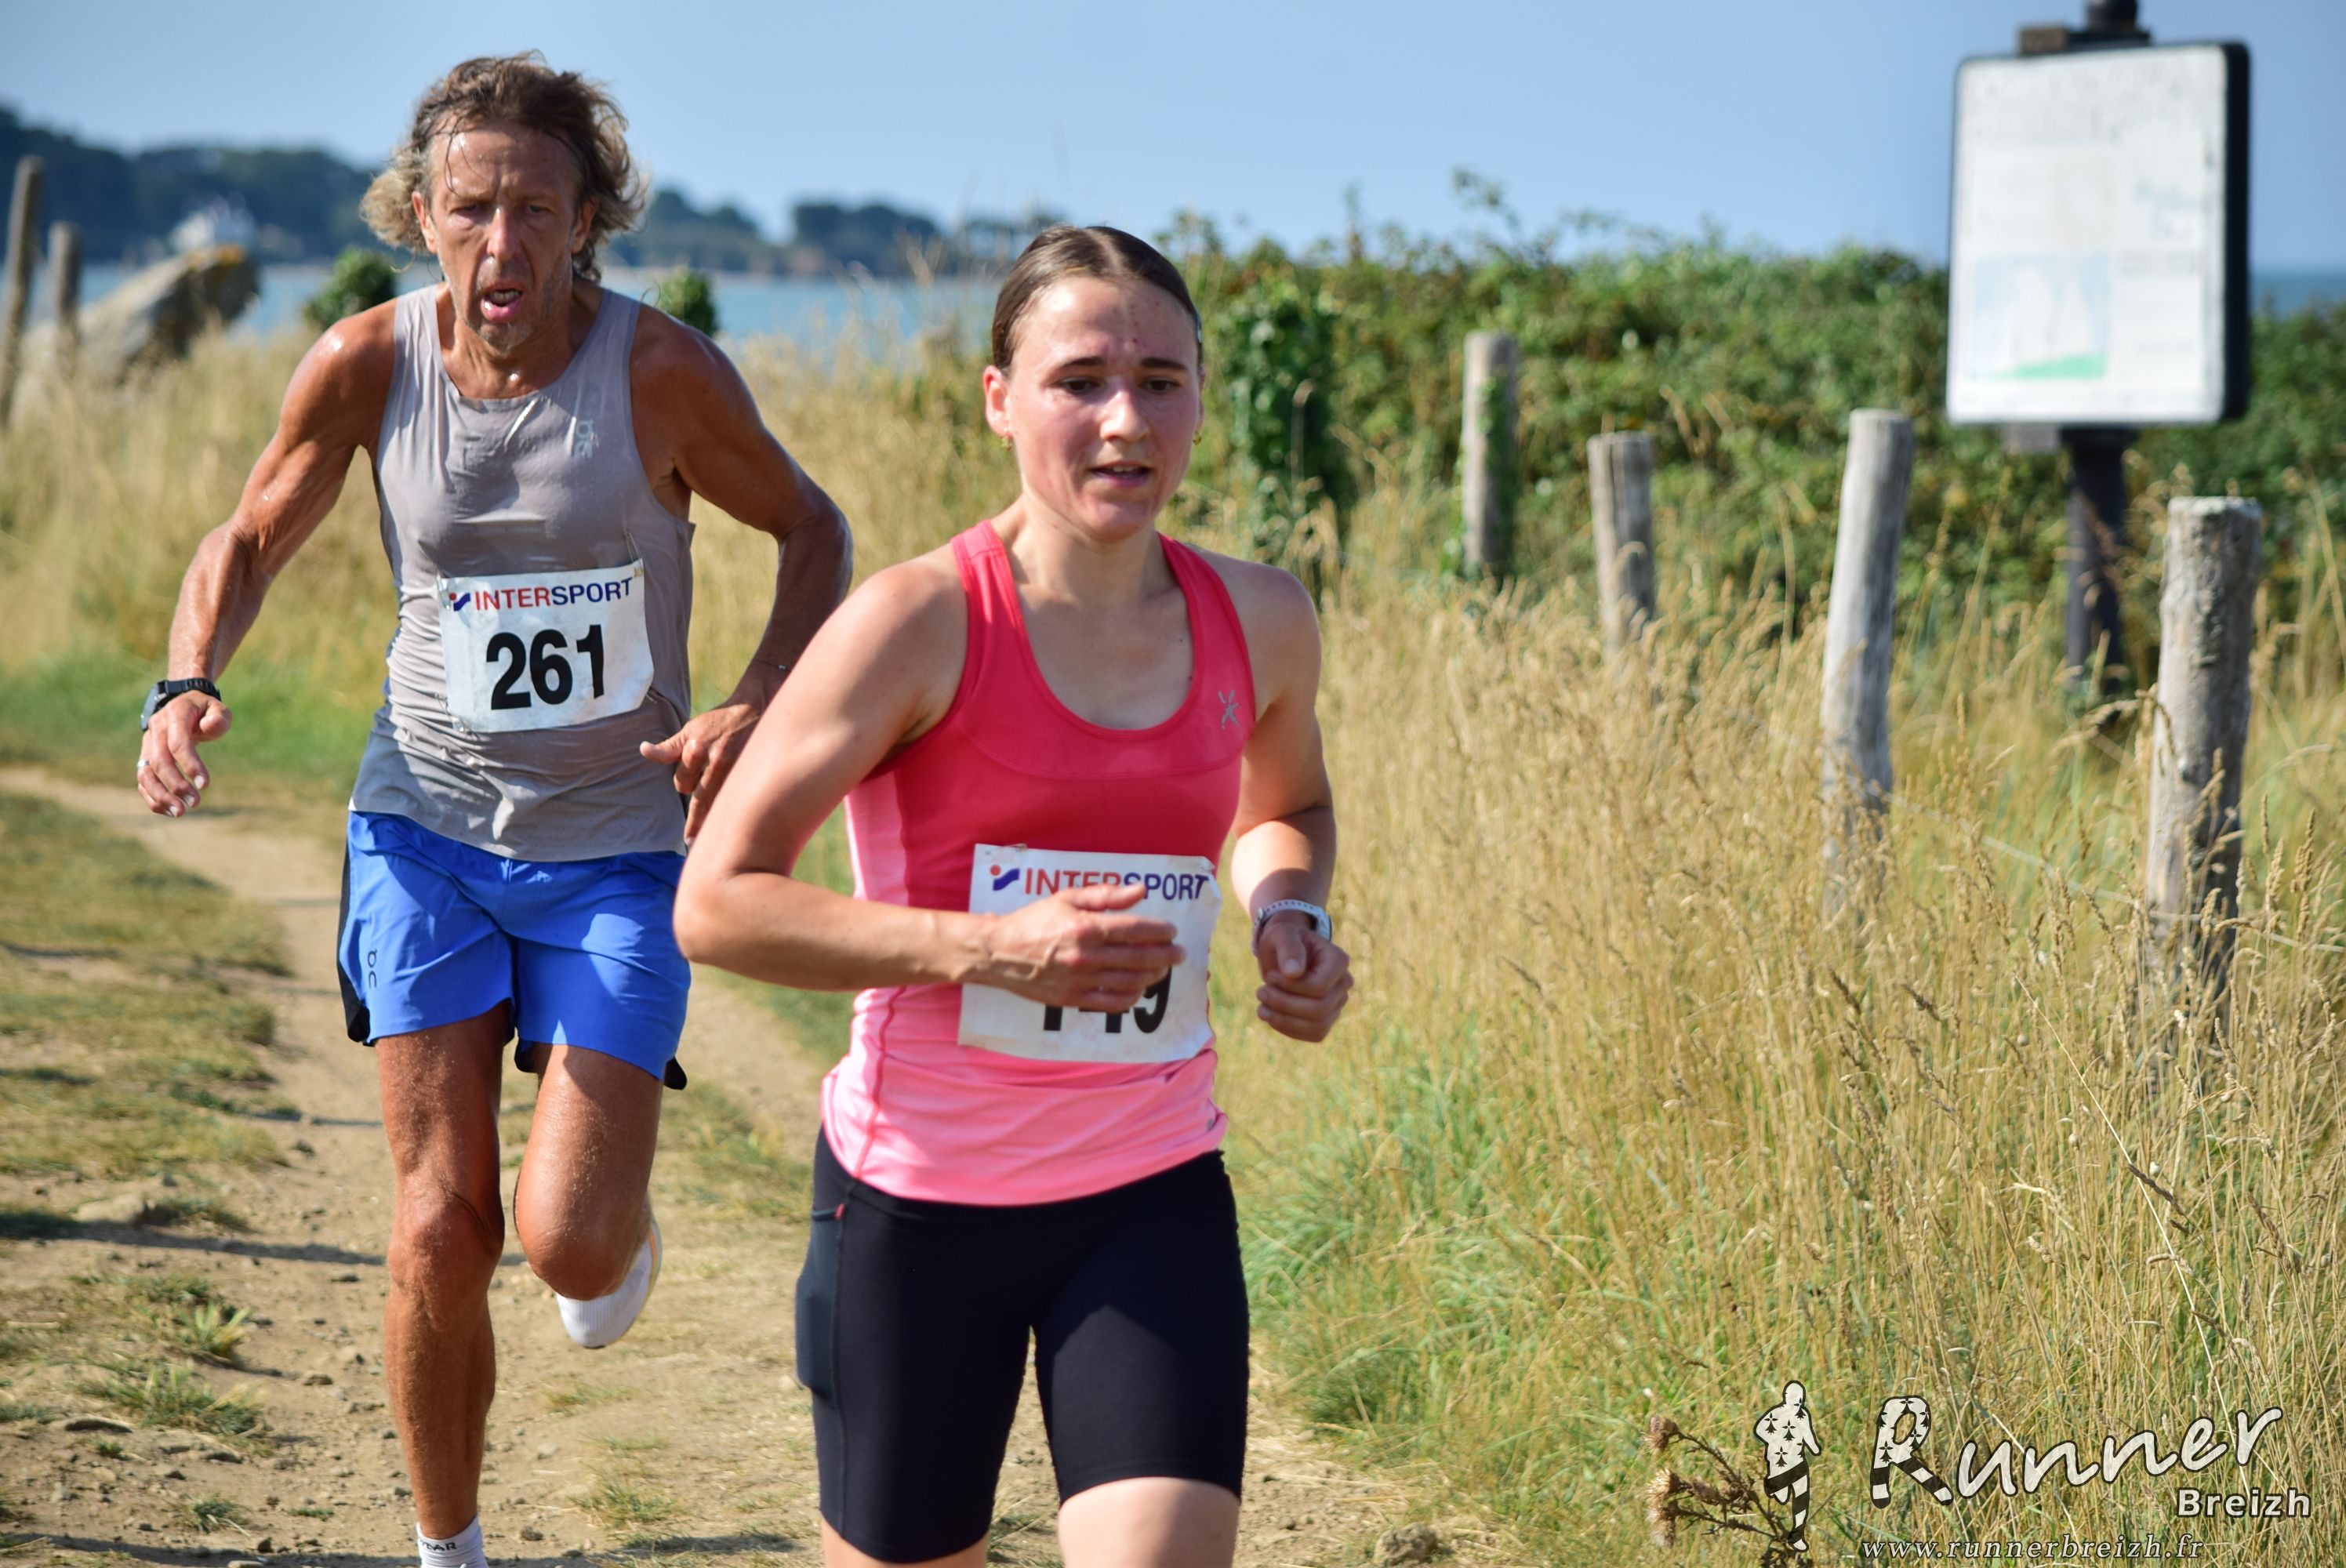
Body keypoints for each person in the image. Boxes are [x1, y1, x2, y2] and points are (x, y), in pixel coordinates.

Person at [131, 53, 850, 1568]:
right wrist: (186, 681)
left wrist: (753, 703)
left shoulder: (660, 373)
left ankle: (612, 1220)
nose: (503, 243)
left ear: (588, 221)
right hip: (425, 829)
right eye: (471, 209)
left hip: (620, 846)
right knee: (434, 1226)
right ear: (421, 216)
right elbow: (250, 534)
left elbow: (812, 530)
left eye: (537, 209)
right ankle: (446, 1549)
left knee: (567, 1242)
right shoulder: (366, 362)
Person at [674, 225, 1352, 1568]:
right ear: (1000, 398)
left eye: (1161, 381)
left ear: (1201, 399)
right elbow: (718, 900)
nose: (1125, 420)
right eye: (1079, 381)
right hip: (917, 1205)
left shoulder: (1262, 617)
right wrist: (990, 949)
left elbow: (1288, 808)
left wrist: (1292, 912)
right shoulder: (917, 621)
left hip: (1151, 1186)